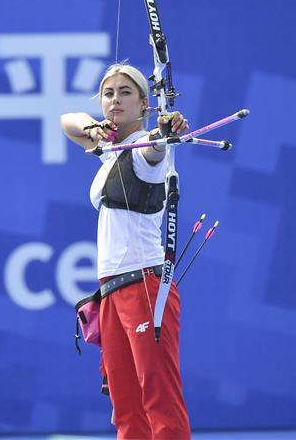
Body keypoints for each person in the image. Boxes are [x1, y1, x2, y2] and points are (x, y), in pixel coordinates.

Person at [60, 62, 192, 440]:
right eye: (108, 93)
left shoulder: (142, 149)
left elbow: (154, 150)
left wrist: (165, 132)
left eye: (125, 93)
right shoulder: (108, 149)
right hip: (113, 293)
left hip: (146, 289)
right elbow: (67, 120)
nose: (115, 100)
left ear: (145, 104)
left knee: (159, 402)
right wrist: (92, 129)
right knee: (126, 409)